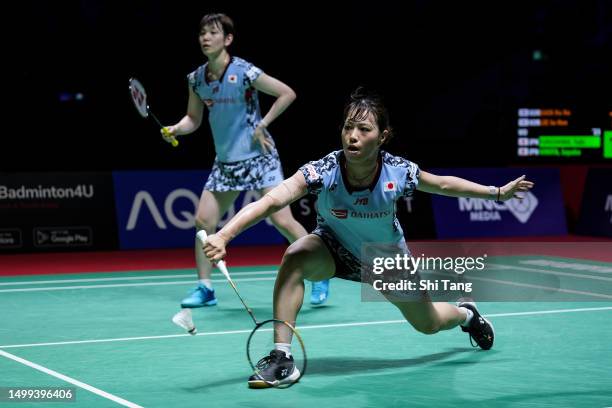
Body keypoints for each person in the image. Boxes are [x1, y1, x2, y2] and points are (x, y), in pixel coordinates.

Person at [202, 88, 535, 388]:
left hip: (386, 260)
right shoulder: (324, 170)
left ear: (382, 136)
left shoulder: (397, 172)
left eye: (364, 129)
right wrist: (225, 234)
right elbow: (273, 199)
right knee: (296, 255)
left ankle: (468, 314)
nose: (353, 136)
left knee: (428, 324)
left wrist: (497, 193)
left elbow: (444, 185)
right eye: (349, 127)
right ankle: (281, 355)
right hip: (334, 247)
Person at [164, 13, 330, 314]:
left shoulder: (244, 72)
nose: (205, 38)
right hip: (227, 162)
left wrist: (262, 124)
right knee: (203, 221)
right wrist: (177, 128)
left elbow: (286, 93)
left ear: (227, 39)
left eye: (212, 33)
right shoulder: (196, 79)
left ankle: (320, 273)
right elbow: (193, 119)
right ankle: (206, 287)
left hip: (259, 158)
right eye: (202, 33)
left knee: (282, 220)